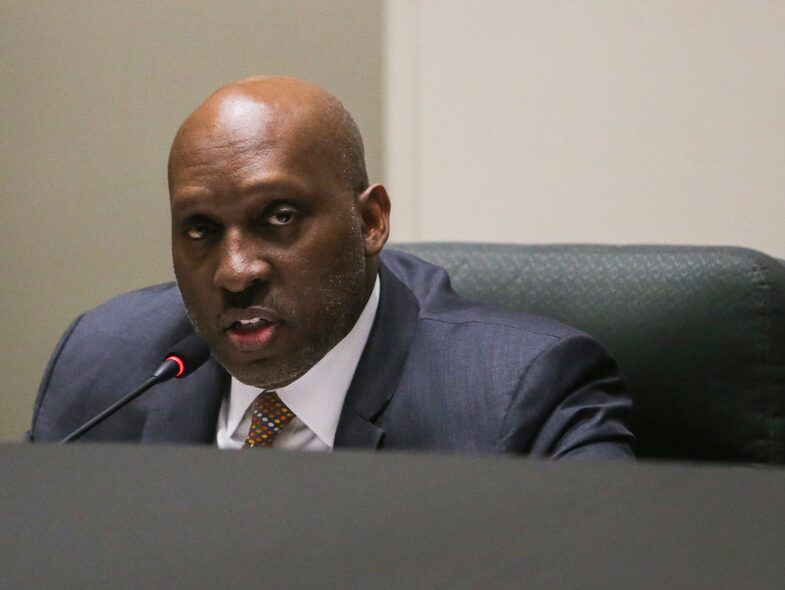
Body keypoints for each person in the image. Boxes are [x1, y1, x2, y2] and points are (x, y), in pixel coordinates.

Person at [28, 76, 634, 458]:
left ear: (370, 222)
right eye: (201, 230)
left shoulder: (518, 395)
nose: (235, 273)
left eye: (280, 217)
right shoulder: (102, 368)